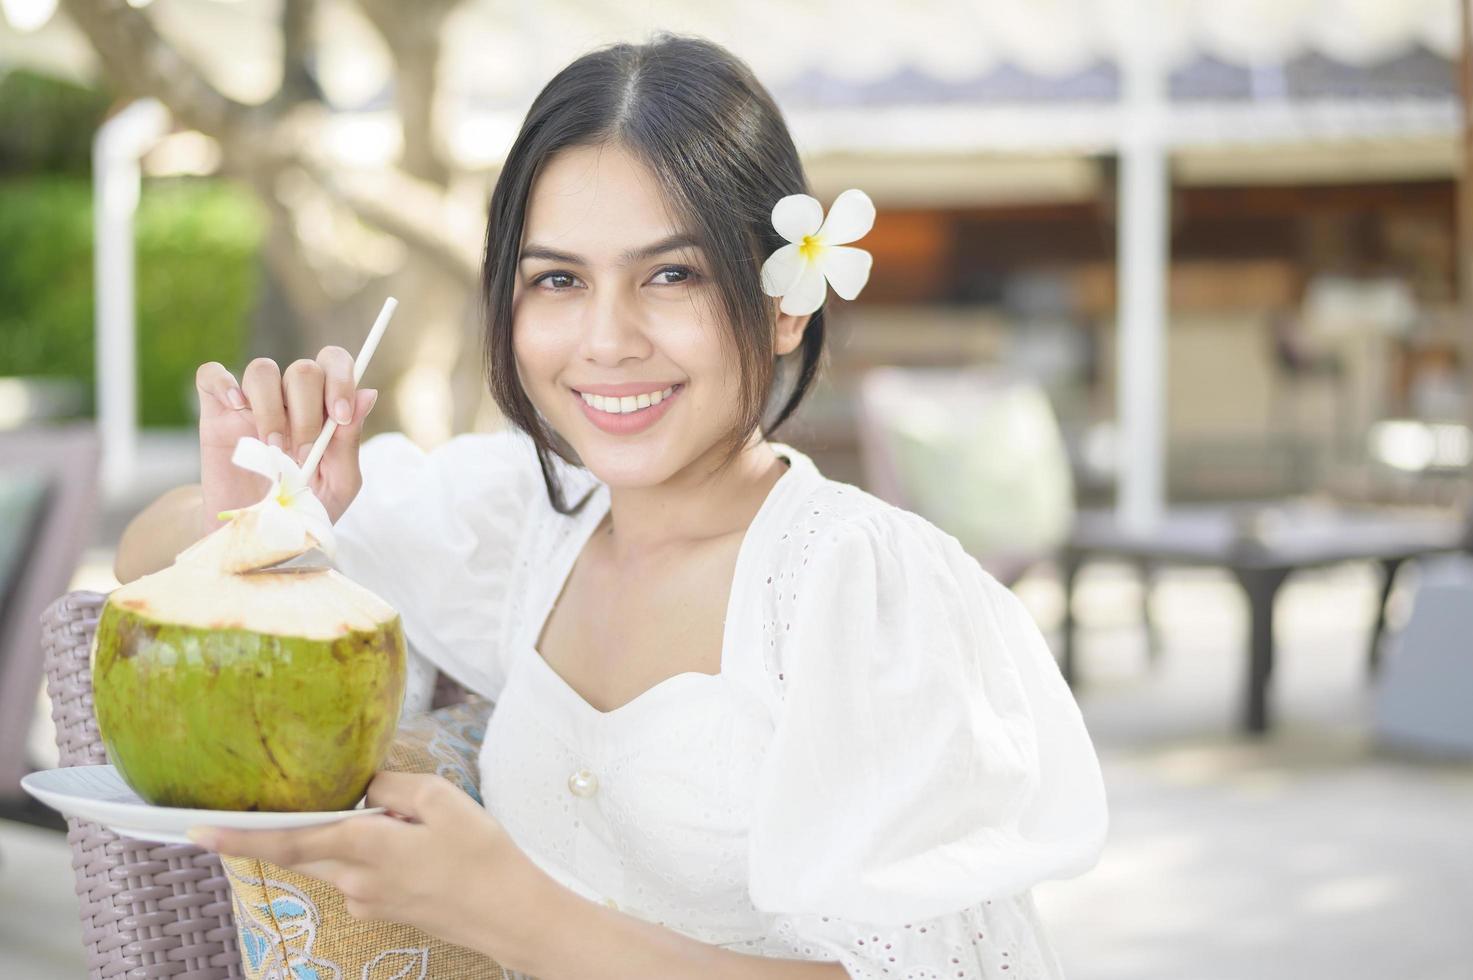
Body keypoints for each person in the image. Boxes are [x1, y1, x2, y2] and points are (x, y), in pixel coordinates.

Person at [115, 33, 1107, 980]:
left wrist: (516, 911)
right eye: (558, 279)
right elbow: (141, 556)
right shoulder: (526, 521)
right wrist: (253, 516)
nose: (606, 338)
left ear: (785, 299)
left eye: (670, 275)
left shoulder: (860, 585)